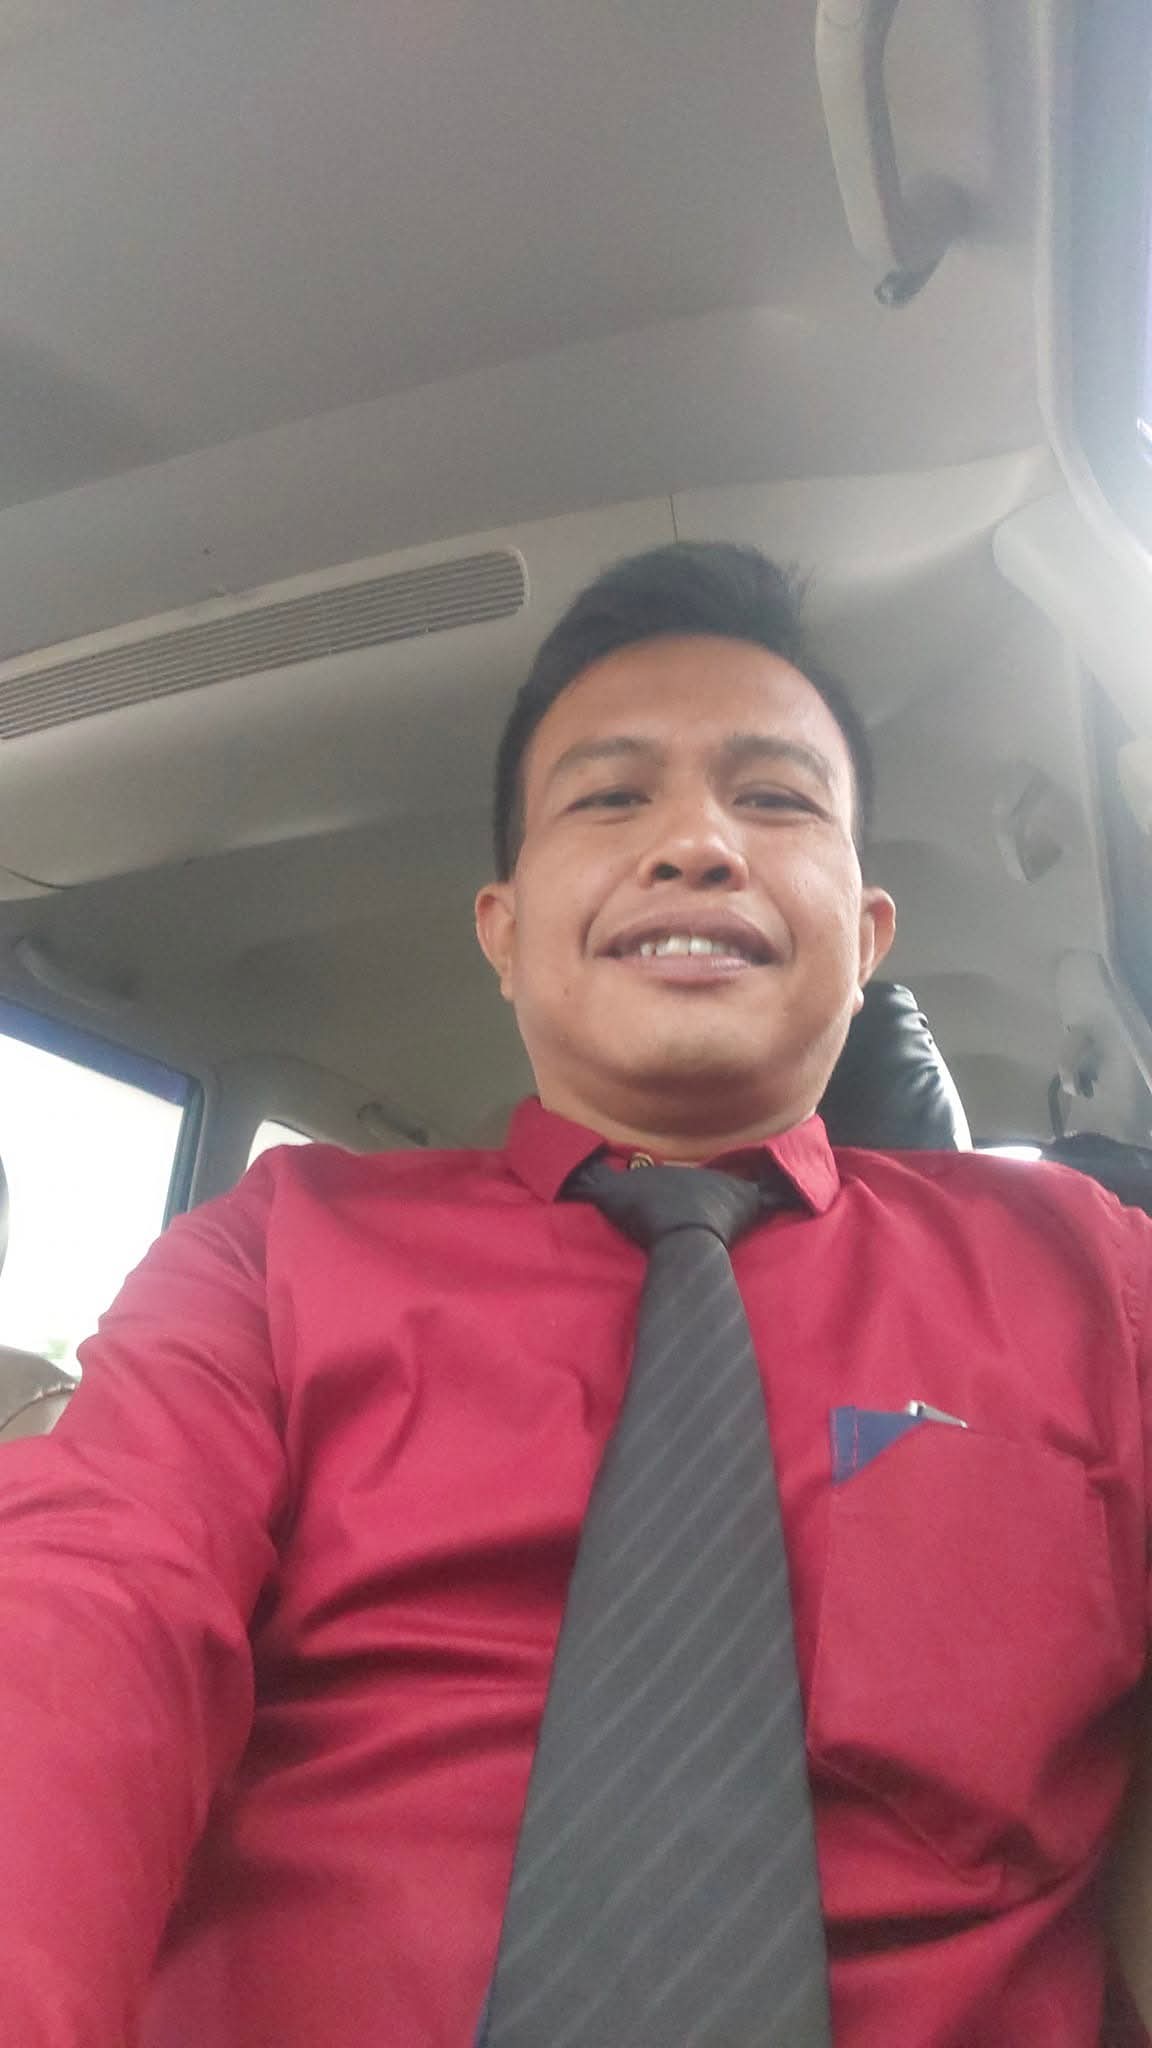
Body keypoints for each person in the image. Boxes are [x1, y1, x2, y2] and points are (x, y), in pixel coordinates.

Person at [0, 540, 1147, 2047]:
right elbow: (90, 1616)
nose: (698, 844)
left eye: (776, 799)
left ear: (868, 935)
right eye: (610, 800)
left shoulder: (1091, 1274)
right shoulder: (274, 1251)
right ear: (505, 931)